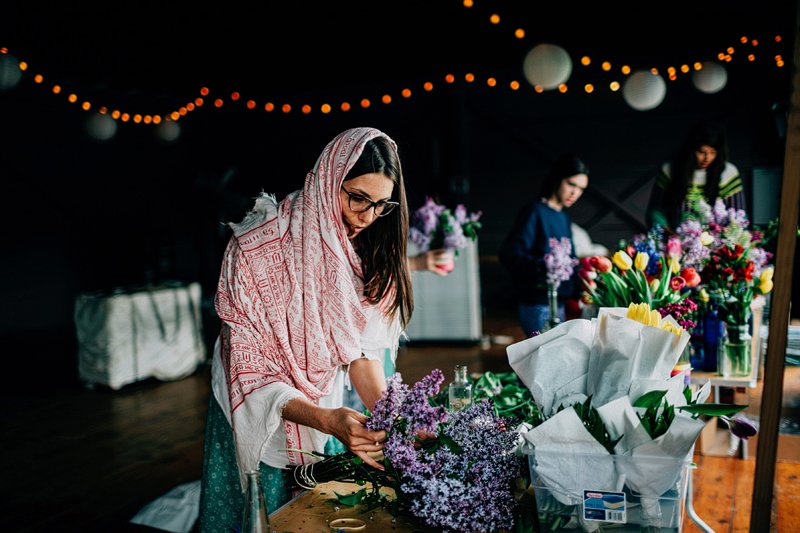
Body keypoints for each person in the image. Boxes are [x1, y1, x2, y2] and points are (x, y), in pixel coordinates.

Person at [199, 127, 432, 532]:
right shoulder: (257, 246)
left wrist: (396, 421)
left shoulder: (366, 248)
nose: (367, 216)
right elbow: (248, 371)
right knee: (252, 513)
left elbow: (361, 355)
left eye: (381, 204)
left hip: (319, 404)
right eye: (357, 197)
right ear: (328, 180)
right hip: (250, 407)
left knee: (308, 514)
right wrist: (325, 420)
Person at [499, 153, 589, 337]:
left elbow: (569, 260)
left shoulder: (563, 217)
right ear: (557, 179)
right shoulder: (535, 212)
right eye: (571, 184)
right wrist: (545, 266)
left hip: (560, 303)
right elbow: (510, 253)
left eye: (581, 189)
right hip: (537, 303)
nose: (575, 193)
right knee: (546, 358)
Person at [646, 121, 745, 232]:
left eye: (713, 152)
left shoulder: (728, 173)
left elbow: (738, 216)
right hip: (674, 242)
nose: (707, 158)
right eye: (702, 152)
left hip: (718, 244)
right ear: (691, 149)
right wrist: (669, 235)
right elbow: (654, 211)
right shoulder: (669, 170)